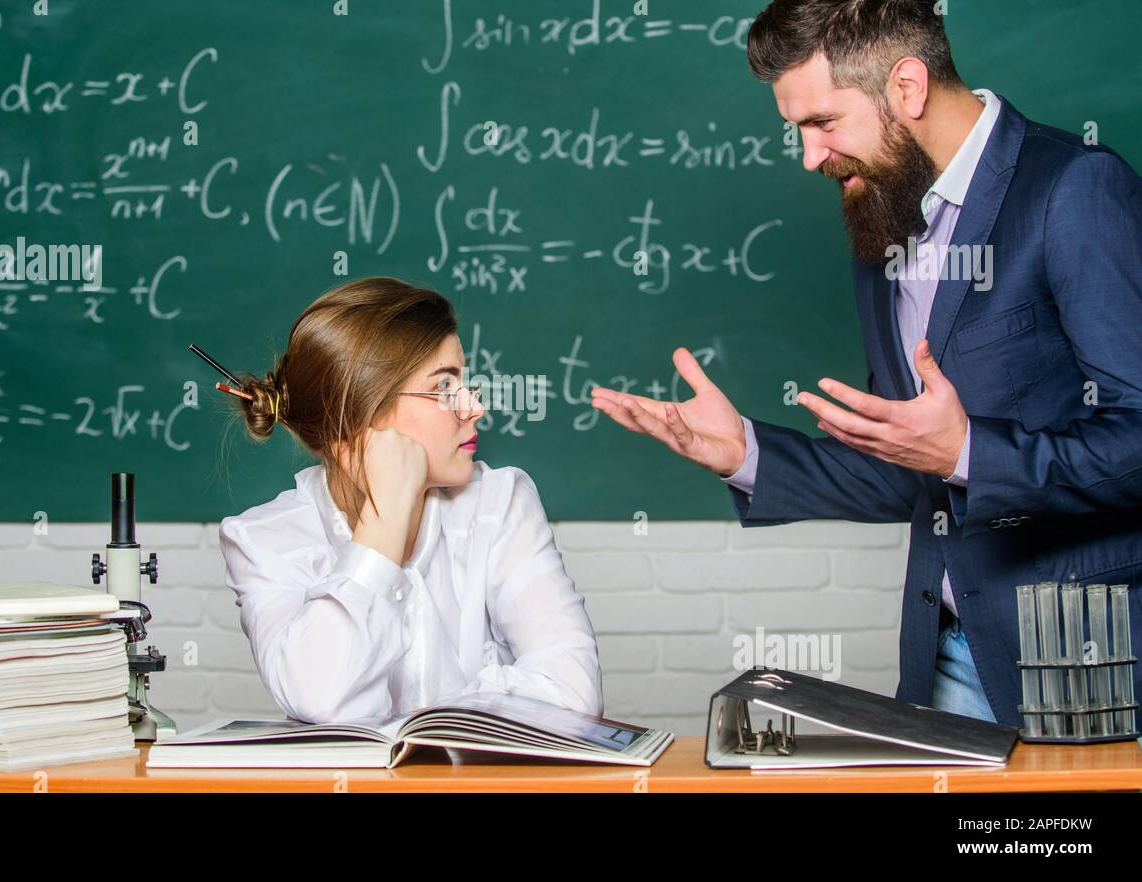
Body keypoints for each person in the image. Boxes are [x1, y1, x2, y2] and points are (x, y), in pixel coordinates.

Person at [592, 0, 1142, 727]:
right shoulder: (883, 214)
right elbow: (910, 467)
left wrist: (970, 452)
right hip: (943, 653)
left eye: (822, 123)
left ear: (907, 88)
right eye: (798, 131)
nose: (810, 157)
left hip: (1084, 660)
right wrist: (745, 454)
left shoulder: (1073, 189)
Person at [218, 277, 602, 724]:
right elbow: (320, 697)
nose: (474, 407)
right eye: (443, 388)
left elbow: (573, 695)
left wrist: (418, 717)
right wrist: (385, 523)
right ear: (362, 414)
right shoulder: (263, 540)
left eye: (464, 380)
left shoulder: (501, 504)